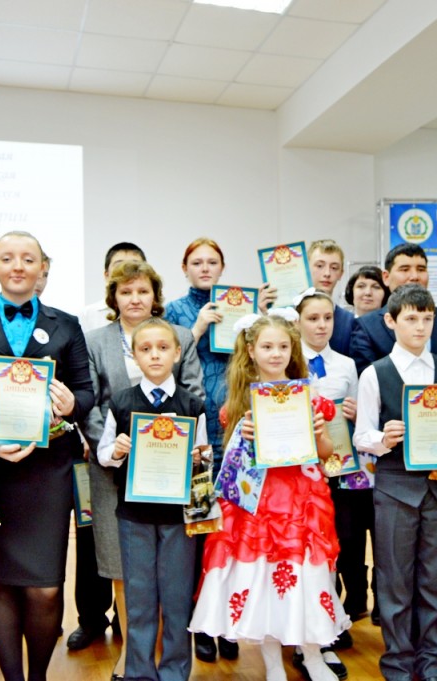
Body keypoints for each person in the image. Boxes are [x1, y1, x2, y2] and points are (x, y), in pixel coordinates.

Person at [0, 231, 94, 681]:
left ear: (42, 267)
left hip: (49, 470)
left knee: (46, 588)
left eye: (28, 259)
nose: (18, 266)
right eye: (7, 258)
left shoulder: (66, 324)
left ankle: (38, 677)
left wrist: (72, 404)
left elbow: (86, 392)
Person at [190, 312, 349, 681]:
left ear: (293, 350)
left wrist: (318, 433)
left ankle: (313, 655)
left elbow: (327, 452)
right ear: (251, 350)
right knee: (263, 578)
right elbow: (232, 462)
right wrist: (244, 436)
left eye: (283, 346)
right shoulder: (240, 402)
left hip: (302, 498)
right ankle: (273, 662)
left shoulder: (309, 396)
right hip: (258, 503)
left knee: (307, 576)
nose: (276, 354)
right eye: (267, 346)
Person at [84, 260, 203, 678]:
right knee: (138, 598)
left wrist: (198, 458)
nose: (155, 355)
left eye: (163, 348)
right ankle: (138, 672)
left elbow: (204, 457)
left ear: (177, 352)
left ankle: (174, 671)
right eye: (146, 349)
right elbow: (103, 454)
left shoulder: (192, 406)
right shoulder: (121, 403)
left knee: (176, 597)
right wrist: (117, 450)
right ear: (134, 356)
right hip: (133, 514)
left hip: (177, 517)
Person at [353, 284, 437, 681]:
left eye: (427, 318)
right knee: (395, 580)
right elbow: (361, 435)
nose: (420, 326)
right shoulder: (375, 373)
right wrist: (383, 438)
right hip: (394, 485)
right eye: (410, 318)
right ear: (391, 321)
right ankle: (398, 663)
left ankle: (433, 662)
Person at [163, 237, 271, 663]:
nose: (205, 268)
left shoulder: (241, 304)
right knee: (199, 527)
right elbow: (163, 362)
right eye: (197, 262)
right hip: (194, 427)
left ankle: (229, 622)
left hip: (237, 422)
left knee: (232, 529)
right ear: (185, 268)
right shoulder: (174, 311)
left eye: (212, 262)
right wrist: (197, 328)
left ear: (222, 267)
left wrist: (259, 316)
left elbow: (257, 357)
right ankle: (202, 624)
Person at [68, 243, 145, 653]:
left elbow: (191, 395)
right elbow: (90, 398)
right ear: (111, 291)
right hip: (107, 460)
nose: (134, 297)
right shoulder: (93, 337)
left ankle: (152, 644)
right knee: (106, 550)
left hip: (161, 464)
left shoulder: (173, 337)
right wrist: (106, 447)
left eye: (141, 289)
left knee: (156, 555)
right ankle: (104, 628)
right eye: (125, 289)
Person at [291, 289, 356, 677]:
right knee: (297, 560)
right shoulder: (286, 361)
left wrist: (355, 411)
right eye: (312, 318)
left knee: (326, 556)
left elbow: (359, 419)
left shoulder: (346, 365)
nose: (321, 325)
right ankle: (298, 640)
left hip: (337, 471)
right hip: (295, 475)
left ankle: (323, 636)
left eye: (327, 318)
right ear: (298, 321)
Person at [351, 244, 437, 376]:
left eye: (421, 269)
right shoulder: (367, 326)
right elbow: (367, 378)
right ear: (386, 277)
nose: (414, 276)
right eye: (404, 269)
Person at [80, 243, 146, 333]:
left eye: (134, 266)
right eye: (119, 265)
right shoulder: (87, 315)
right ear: (106, 275)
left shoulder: (158, 314)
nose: (127, 271)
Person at [308, 239, 355, 356]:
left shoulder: (349, 321)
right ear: (307, 268)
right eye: (319, 266)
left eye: (334, 268)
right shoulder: (289, 315)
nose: (327, 273)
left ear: (341, 274)